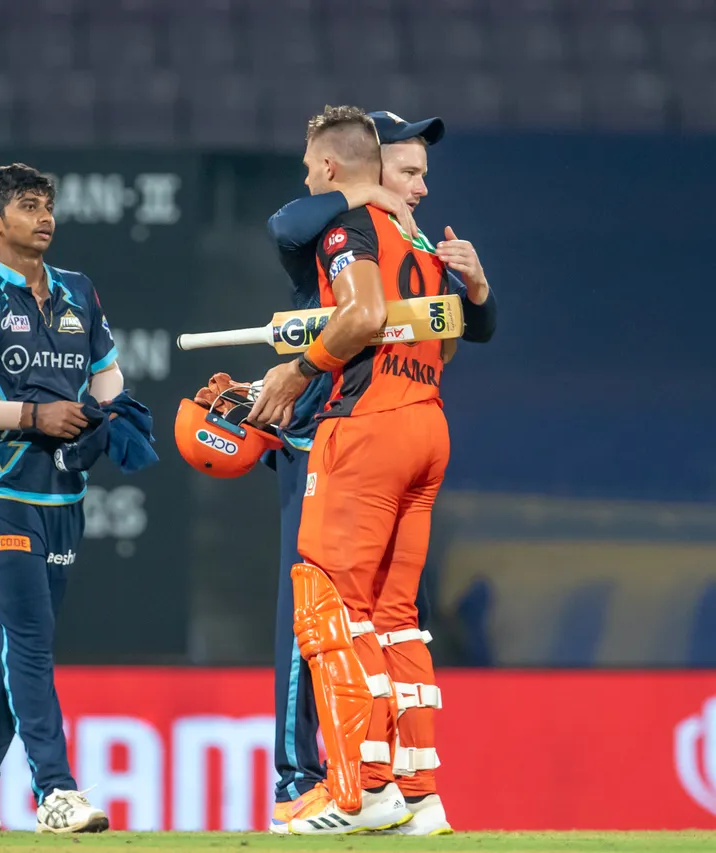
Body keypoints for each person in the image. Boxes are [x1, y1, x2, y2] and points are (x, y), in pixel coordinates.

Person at [261, 112, 496, 836]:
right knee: (397, 620)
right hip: (428, 423)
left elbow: (362, 315)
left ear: (332, 167)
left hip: (366, 428)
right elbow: (447, 342)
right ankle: (418, 792)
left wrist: (299, 371)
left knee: (332, 606)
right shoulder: (422, 247)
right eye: (411, 172)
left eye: (311, 168)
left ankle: (358, 791)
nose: (307, 179)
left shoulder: (349, 229)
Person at [0, 164, 122, 834]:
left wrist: (111, 420)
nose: (44, 217)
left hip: (64, 494)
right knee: (30, 641)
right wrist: (32, 417)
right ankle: (55, 792)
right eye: (28, 206)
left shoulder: (78, 291)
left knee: (20, 645)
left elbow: (108, 379)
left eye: (48, 205)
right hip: (0, 490)